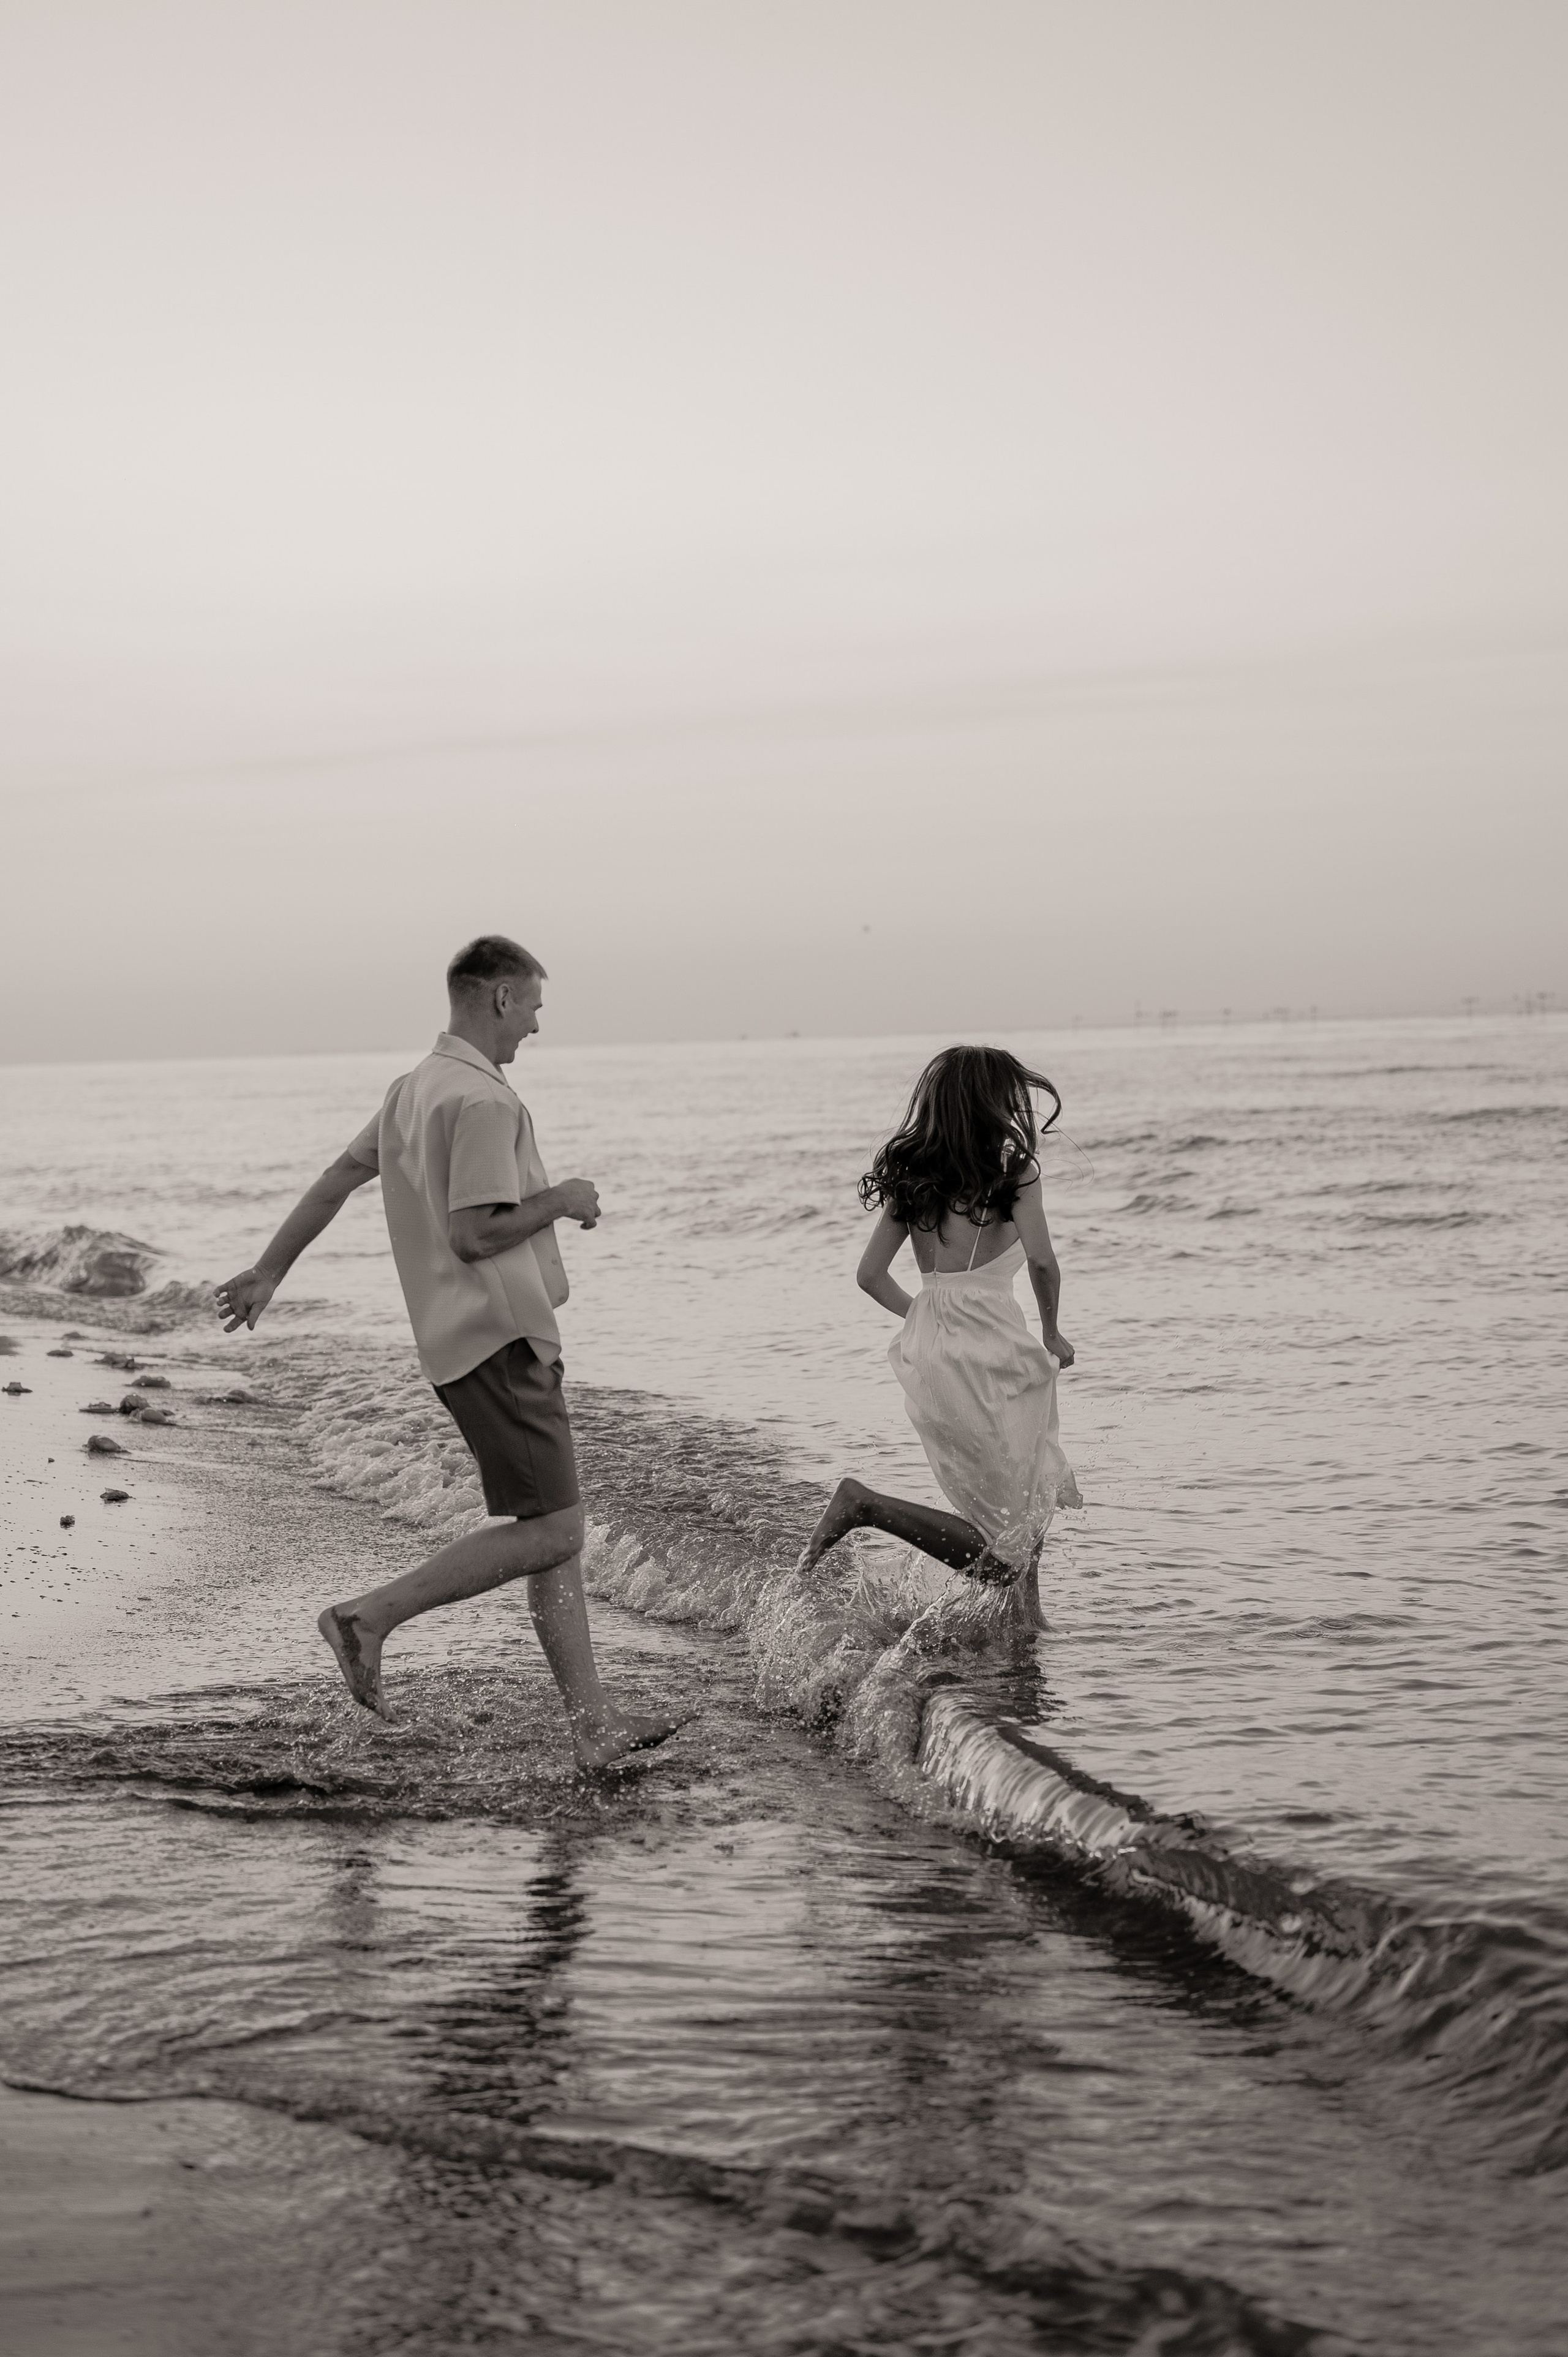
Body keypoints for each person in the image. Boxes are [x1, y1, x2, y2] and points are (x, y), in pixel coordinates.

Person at [214, 934, 684, 1770]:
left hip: (461, 1343)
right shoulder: (480, 1102)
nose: (536, 1027)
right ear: (499, 997)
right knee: (556, 1532)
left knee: (549, 1531)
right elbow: (475, 1234)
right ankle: (368, 1618)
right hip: (500, 1339)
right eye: (534, 1007)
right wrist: (565, 1198)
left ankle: (592, 1729)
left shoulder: (413, 1089)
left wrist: (268, 1270)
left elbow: (335, 1178)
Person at [800, 1045, 1077, 1615]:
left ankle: (1027, 1626)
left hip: (935, 1349)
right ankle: (864, 1506)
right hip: (993, 1350)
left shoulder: (914, 1176)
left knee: (1022, 1503)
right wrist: (1053, 1332)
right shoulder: (1012, 1171)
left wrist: (929, 1325)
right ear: (992, 1103)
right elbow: (1044, 1262)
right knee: (1009, 1538)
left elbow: (870, 1276)